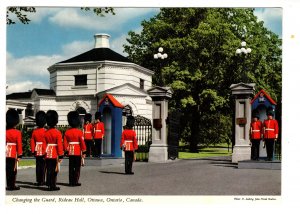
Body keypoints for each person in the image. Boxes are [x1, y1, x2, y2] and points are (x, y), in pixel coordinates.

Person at [64, 111, 87, 186]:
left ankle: (71, 182)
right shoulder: (79, 132)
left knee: (71, 167)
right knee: (77, 168)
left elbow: (65, 143)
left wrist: (66, 150)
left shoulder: (67, 132)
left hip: (70, 151)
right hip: (77, 151)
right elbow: (82, 142)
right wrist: (84, 151)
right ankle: (75, 181)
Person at [44, 110, 64, 191]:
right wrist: (61, 155)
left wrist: (44, 154)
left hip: (48, 153)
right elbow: (59, 145)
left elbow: (44, 145)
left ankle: (48, 184)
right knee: (54, 170)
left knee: (49, 169)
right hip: (55, 153)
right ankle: (53, 186)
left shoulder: (46, 133)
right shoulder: (57, 133)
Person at [6, 109, 23, 191]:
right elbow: (19, 145)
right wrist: (19, 154)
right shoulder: (17, 132)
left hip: (6, 152)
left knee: (8, 169)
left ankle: (9, 185)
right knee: (13, 170)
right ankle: (12, 185)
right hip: (13, 153)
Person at [30, 111, 47, 186]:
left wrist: (33, 150)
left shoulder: (34, 131)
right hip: (44, 150)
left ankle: (39, 181)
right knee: (43, 166)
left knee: (38, 166)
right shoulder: (45, 131)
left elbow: (32, 142)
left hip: (37, 150)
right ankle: (43, 180)